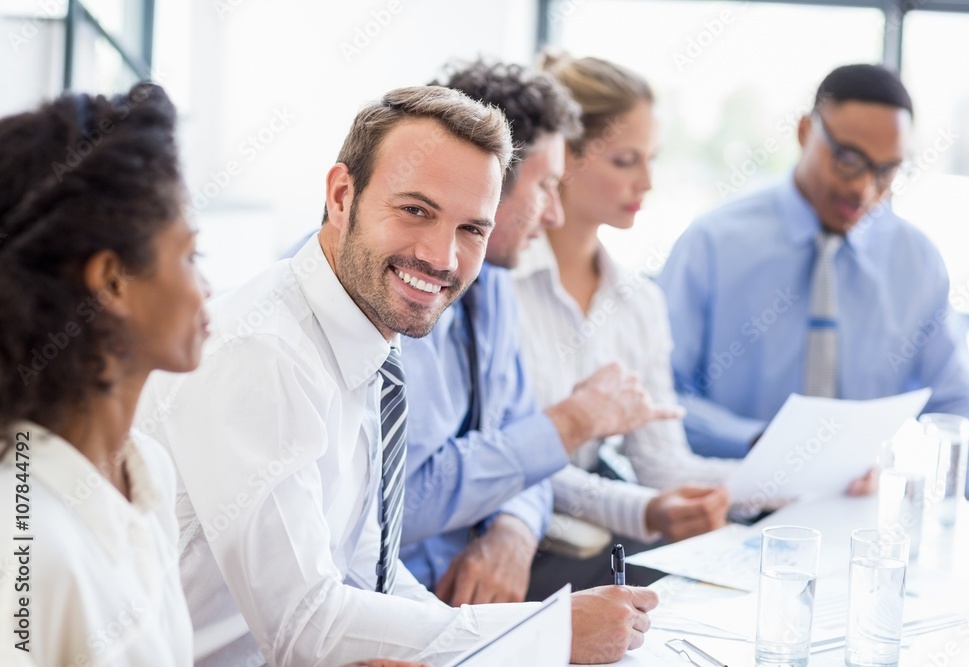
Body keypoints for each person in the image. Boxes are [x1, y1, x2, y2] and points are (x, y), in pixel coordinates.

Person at [136, 85, 657, 667]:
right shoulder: (263, 354)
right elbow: (305, 626)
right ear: (341, 196)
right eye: (415, 211)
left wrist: (516, 634)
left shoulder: (362, 341)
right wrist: (541, 635)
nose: (441, 257)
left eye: (472, 230)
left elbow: (367, 575)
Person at [400, 60, 678, 606]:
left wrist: (514, 529)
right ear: (487, 182)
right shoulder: (408, 292)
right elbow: (403, 502)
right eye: (546, 186)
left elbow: (521, 453)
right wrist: (572, 422)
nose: (552, 215)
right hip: (416, 594)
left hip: (477, 574)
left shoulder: (493, 284)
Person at [656, 64, 969, 502]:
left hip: (854, 515)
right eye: (848, 160)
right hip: (725, 506)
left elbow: (957, 405)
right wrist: (762, 443)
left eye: (887, 171)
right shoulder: (712, 243)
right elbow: (659, 399)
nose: (864, 189)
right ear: (804, 132)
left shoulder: (917, 262)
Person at [0, 84, 208, 666]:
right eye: (192, 257)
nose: (206, 289)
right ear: (112, 282)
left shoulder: (149, 475)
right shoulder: (24, 541)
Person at [509, 55, 732, 595]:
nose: (648, 182)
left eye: (651, 159)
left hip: (588, 535)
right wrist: (645, 510)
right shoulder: (500, 285)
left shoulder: (639, 303)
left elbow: (662, 463)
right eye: (627, 160)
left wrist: (787, 480)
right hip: (519, 541)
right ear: (565, 157)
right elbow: (513, 461)